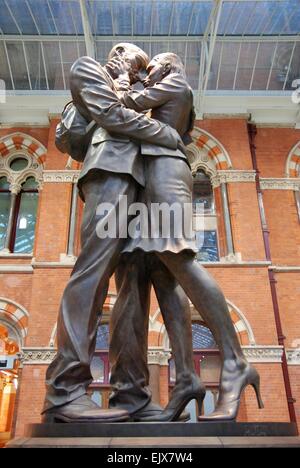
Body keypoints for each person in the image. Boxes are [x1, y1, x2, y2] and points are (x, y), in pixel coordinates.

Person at [109, 53, 264, 422]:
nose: (149, 72)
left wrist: (123, 79)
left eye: (154, 66)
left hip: (165, 173)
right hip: (153, 176)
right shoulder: (169, 91)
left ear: (169, 65)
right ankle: (187, 379)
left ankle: (235, 362)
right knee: (164, 275)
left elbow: (127, 104)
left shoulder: (176, 83)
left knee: (180, 259)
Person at [42, 44, 186, 423]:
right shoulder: (88, 69)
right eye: (134, 65)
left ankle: (132, 396)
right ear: (117, 55)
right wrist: (164, 134)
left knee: (135, 287)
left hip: (142, 186)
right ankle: (65, 391)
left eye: (142, 71)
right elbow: (101, 120)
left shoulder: (136, 94)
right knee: (93, 272)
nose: (136, 75)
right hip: (110, 174)